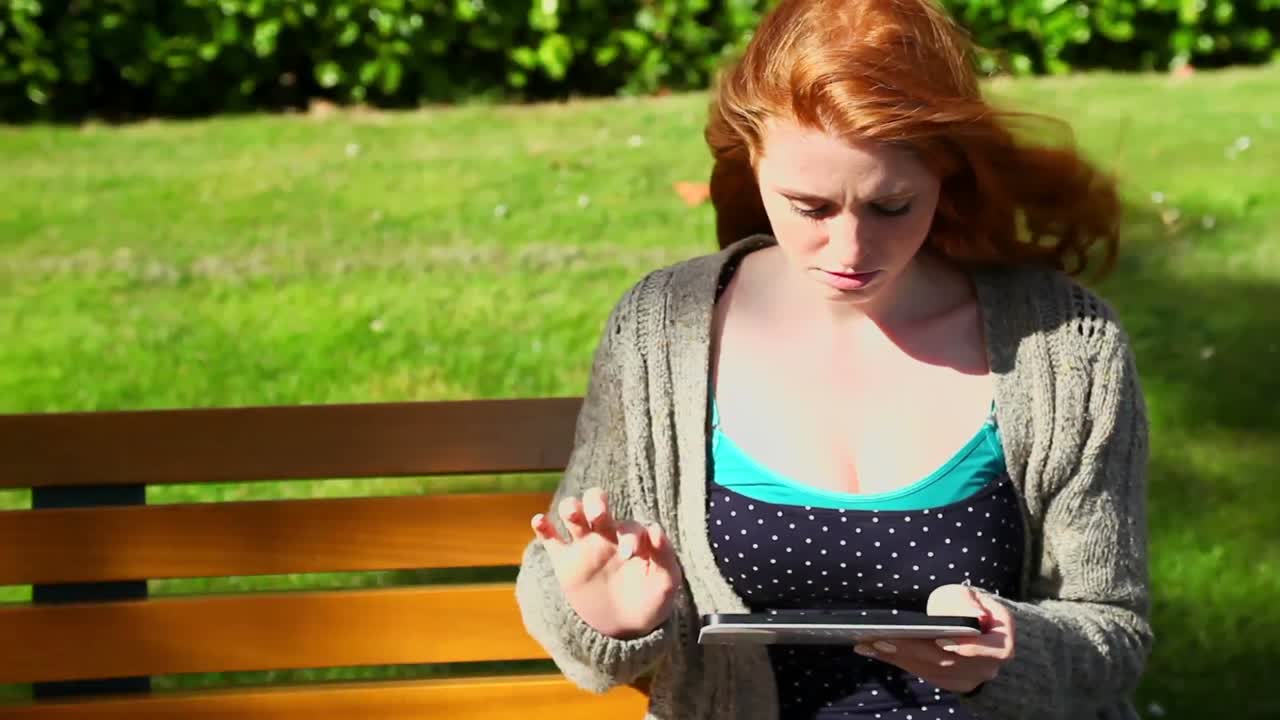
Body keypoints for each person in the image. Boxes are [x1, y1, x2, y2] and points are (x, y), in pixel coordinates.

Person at [515, 0, 1151, 717]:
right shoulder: (662, 332)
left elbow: (1112, 628)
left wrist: (1014, 649)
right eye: (810, 207)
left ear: (947, 171)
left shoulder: (1065, 345)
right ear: (751, 158)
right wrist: (608, 616)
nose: (850, 252)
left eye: (891, 207)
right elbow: (563, 576)